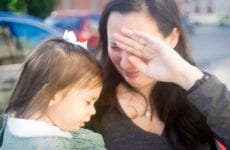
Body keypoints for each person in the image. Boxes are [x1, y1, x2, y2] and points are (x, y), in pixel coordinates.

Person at [89, 0, 230, 149]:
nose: (125, 63)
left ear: (173, 38)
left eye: (140, 45)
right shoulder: (88, 103)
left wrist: (187, 76)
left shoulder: (201, 97)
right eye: (115, 45)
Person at [0, 31, 106, 150]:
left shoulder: (9, 126)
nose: (93, 111)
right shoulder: (51, 145)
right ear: (51, 95)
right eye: (87, 101)